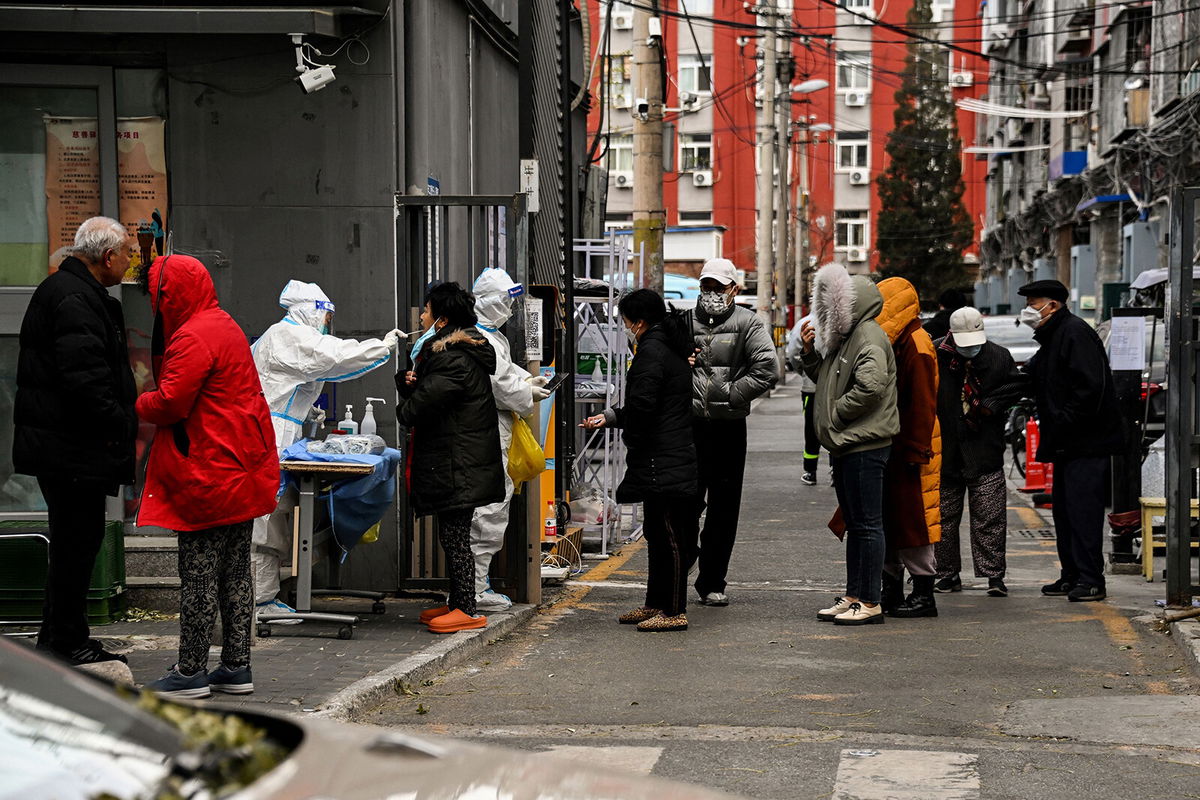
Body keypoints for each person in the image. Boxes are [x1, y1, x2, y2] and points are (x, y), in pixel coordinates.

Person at [134, 255, 280, 698]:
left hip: (210, 470)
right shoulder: (223, 324)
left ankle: (190, 670)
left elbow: (173, 403)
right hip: (241, 466)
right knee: (235, 571)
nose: (154, 307)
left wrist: (135, 402)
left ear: (170, 295)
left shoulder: (193, 335)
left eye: (157, 297)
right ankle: (236, 665)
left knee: (198, 573)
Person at [13, 216, 137, 666]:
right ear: (107, 257)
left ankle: (59, 638)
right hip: (72, 451)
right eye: (127, 253)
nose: (130, 261)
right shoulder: (74, 298)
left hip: (67, 448)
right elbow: (85, 382)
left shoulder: (72, 292)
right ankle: (67, 641)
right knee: (75, 547)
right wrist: (120, 424)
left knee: (74, 545)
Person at [250, 281, 403, 621]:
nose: (326, 322)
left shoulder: (287, 335)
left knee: (273, 516)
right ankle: (259, 602)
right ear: (310, 309)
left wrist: (305, 411)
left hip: (278, 429)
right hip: (270, 433)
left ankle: (264, 596)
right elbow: (333, 355)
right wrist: (381, 346)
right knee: (266, 518)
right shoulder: (286, 335)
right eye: (325, 315)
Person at [582, 290, 699, 632]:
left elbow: (644, 406)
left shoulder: (651, 351)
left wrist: (628, 429)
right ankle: (655, 603)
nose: (625, 327)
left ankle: (675, 609)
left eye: (625, 321)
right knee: (657, 533)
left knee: (670, 534)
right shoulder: (666, 345)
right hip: (666, 450)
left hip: (662, 453)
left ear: (639, 321)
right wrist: (612, 417)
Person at [397, 282, 505, 634]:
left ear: (442, 320)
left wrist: (407, 391)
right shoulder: (458, 355)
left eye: (426, 311)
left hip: (459, 463)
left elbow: (415, 410)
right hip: (459, 460)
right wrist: (413, 383)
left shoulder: (452, 360)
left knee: (456, 537)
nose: (422, 316)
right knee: (453, 534)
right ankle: (459, 601)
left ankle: (467, 609)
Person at [799, 263, 899, 626]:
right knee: (857, 525)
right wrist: (811, 354)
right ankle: (856, 594)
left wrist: (837, 415)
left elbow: (870, 387)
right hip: (848, 445)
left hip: (864, 444)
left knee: (868, 524)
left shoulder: (868, 337)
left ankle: (870, 600)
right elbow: (827, 380)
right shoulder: (847, 338)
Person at [1019, 279, 1123, 602]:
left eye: (1034, 304)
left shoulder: (1075, 333)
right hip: (1067, 443)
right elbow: (1030, 376)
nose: (1029, 311)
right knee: (1064, 512)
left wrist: (1062, 421)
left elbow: (1089, 390)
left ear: (1054, 305)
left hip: (1085, 442)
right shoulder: (1052, 337)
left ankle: (1091, 580)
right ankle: (1072, 574)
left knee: (1083, 512)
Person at [687, 258, 778, 606]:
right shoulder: (683, 322)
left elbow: (768, 369)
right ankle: (686, 558)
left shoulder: (748, 324)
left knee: (724, 508)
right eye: (706, 286)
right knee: (686, 502)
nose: (711, 293)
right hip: (690, 426)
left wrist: (727, 394)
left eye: (719, 287)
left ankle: (712, 581)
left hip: (728, 429)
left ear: (734, 290)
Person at [470, 269, 550, 611]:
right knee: (486, 509)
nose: (508, 308)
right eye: (504, 301)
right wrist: (527, 392)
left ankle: (477, 583)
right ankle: (474, 587)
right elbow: (500, 386)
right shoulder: (478, 338)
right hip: (486, 430)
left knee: (494, 506)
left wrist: (528, 382)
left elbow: (507, 373)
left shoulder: (493, 337)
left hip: (496, 428)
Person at [933, 306, 1026, 597]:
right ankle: (947, 574)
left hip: (985, 449)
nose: (969, 350)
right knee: (944, 519)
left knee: (990, 517)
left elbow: (1015, 386)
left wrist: (991, 403)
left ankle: (994, 575)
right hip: (946, 450)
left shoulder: (998, 356)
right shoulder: (935, 355)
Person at [874, 278, 942, 619]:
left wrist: (916, 448)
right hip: (902, 443)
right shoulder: (903, 340)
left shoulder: (915, 343)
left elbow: (922, 402)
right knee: (894, 520)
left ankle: (923, 593)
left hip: (914, 445)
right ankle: (894, 590)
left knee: (914, 522)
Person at [786, 315, 822, 485]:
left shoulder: (805, 322)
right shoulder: (845, 319)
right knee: (838, 426)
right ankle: (835, 471)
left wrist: (804, 371)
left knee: (811, 429)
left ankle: (810, 471)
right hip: (838, 387)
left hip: (811, 388)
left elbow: (793, 353)